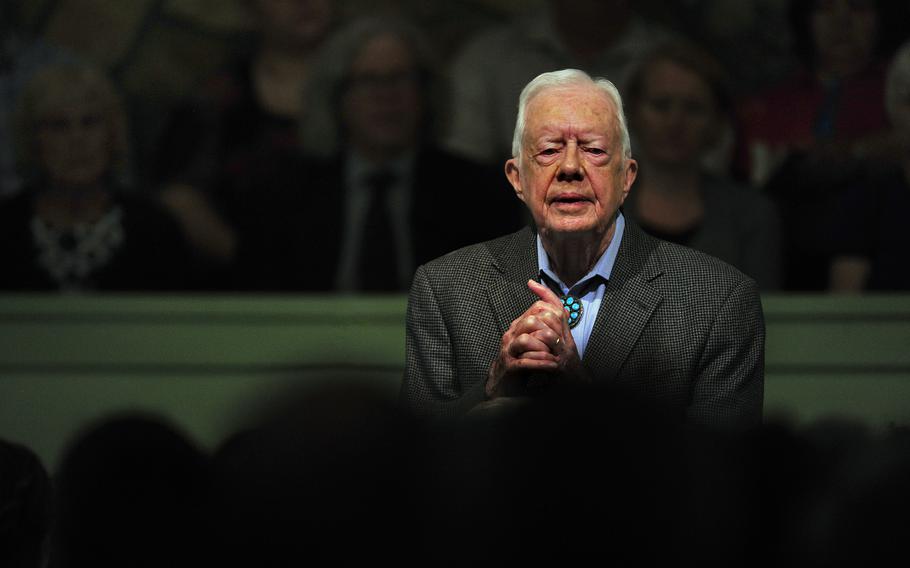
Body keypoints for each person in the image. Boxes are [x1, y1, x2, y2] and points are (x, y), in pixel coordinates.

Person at [401, 69, 765, 427]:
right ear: (517, 178)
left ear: (626, 177)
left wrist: (581, 392)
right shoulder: (446, 288)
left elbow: (720, 470)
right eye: (548, 150)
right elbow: (413, 459)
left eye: (593, 150)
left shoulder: (717, 299)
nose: (571, 167)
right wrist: (491, 386)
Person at [229, 16, 521, 291]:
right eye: (368, 80)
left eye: (400, 78)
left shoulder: (477, 195)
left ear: (425, 93)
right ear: (337, 96)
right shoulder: (284, 194)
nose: (386, 96)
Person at [0, 62, 190, 291]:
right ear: (33, 140)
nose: (77, 139)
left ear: (112, 134)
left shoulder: (153, 228)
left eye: (90, 122)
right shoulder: (7, 229)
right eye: (59, 126)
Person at [623, 41, 782, 290]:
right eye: (660, 105)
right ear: (632, 113)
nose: (675, 122)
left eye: (693, 108)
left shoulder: (751, 217)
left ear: (717, 122)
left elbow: (763, 316)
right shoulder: (599, 208)